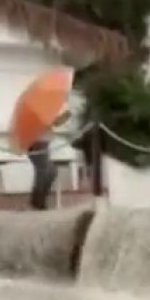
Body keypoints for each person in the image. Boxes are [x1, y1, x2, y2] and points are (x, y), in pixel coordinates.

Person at [27, 68, 90, 210]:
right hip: (36, 142)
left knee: (46, 171)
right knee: (47, 170)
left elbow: (54, 122)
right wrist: (65, 114)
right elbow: (49, 121)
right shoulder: (39, 106)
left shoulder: (44, 105)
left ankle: (38, 201)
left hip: (42, 141)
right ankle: (37, 202)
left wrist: (67, 114)